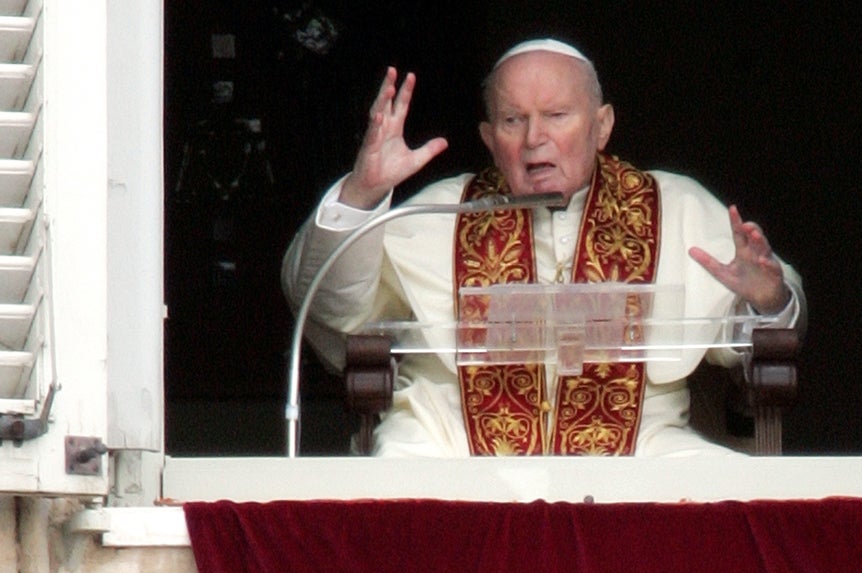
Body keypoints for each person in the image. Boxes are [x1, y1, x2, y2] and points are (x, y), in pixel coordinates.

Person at [282, 38, 804, 457]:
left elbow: (771, 333)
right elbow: (330, 312)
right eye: (514, 121)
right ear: (489, 137)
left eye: (556, 116)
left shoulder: (677, 206)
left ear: (601, 127)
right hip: (447, 444)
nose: (535, 139)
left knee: (726, 500)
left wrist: (766, 301)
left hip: (643, 448)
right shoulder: (437, 213)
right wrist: (363, 193)